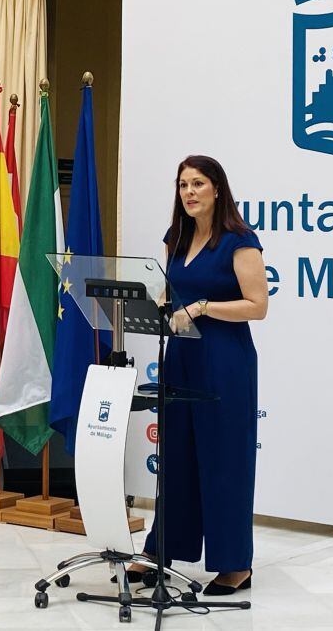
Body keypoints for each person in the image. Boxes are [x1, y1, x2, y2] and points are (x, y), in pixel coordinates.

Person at [130, 155, 269, 595]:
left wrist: (205, 307)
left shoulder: (240, 241)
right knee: (176, 458)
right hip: (181, 357)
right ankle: (160, 551)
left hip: (225, 360)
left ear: (217, 190)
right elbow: (169, 294)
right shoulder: (177, 236)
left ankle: (234, 564)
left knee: (224, 461)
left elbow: (258, 305)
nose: (189, 192)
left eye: (198, 184)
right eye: (183, 184)